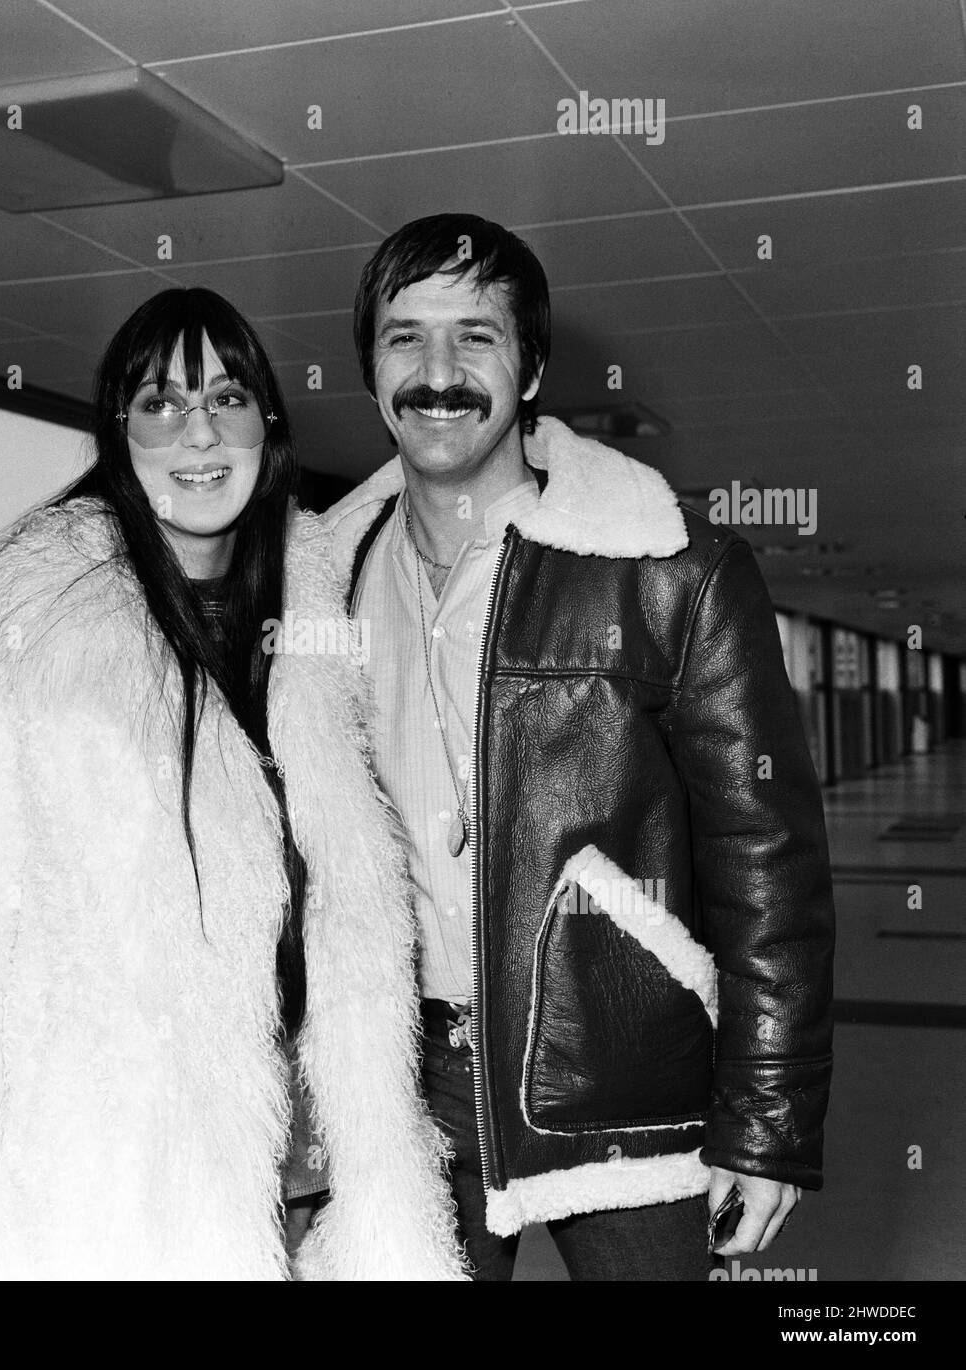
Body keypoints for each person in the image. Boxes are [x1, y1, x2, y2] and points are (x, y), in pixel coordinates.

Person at [0, 286, 466, 1281]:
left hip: (316, 1158)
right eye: (161, 403)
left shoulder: (312, 613)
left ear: (267, 424)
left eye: (228, 397)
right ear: (119, 433)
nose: (197, 431)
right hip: (109, 1167)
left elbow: (351, 884)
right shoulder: (35, 607)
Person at [321, 213, 836, 1281]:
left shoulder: (663, 569)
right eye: (404, 337)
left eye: (476, 336)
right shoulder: (319, 579)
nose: (438, 371)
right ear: (368, 367)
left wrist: (767, 1117)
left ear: (534, 363)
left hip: (622, 1074)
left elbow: (764, 855)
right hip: (398, 1082)